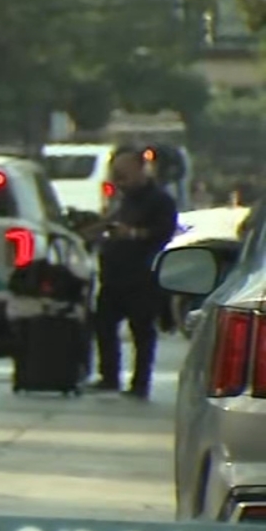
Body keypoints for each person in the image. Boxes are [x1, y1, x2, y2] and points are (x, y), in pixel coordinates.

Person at [91, 145, 179, 400]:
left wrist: (132, 233)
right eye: (117, 172)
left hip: (142, 276)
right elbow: (112, 222)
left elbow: (163, 232)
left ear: (142, 169)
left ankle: (140, 382)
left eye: (125, 172)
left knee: (141, 330)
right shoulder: (123, 198)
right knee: (103, 324)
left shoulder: (160, 199)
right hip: (114, 274)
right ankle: (109, 376)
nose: (121, 178)